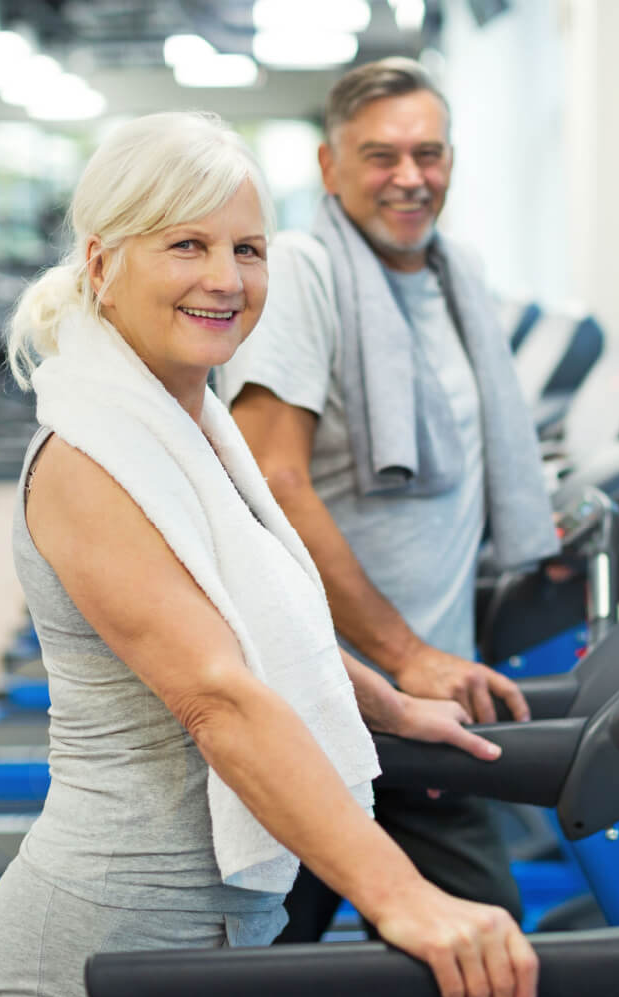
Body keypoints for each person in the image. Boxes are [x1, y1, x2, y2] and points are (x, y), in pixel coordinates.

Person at [0, 111, 537, 997]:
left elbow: (258, 623)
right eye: (187, 244)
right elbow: (220, 695)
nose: (226, 279)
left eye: (248, 249)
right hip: (103, 965)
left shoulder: (190, 425)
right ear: (103, 263)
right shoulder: (89, 457)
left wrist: (385, 707)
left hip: (235, 934)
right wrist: (406, 900)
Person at [218, 59, 559, 952]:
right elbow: (272, 481)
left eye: (428, 153)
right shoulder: (304, 269)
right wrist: (407, 655)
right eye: (380, 156)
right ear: (330, 168)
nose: (410, 178)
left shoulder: (455, 276)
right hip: (320, 703)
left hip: (416, 710)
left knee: (471, 956)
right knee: (260, 972)